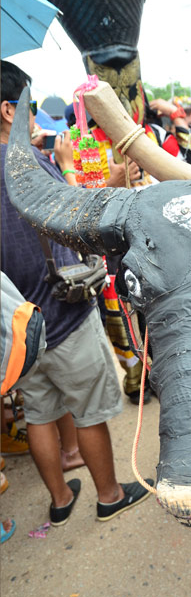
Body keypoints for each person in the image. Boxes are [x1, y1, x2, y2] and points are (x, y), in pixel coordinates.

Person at [1, 61, 153, 526]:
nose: (33, 121)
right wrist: (112, 183)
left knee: (42, 413)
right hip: (62, 311)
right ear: (8, 111)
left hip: (18, 325)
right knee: (88, 412)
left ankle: (61, 499)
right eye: (27, 107)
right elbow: (75, 223)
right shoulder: (28, 164)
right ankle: (109, 495)